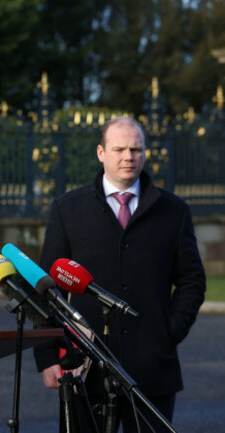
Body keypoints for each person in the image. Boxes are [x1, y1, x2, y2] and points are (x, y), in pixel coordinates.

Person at [33, 116, 206, 432]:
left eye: (136, 149)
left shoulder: (174, 210)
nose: (129, 157)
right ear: (101, 152)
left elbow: (192, 280)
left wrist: (170, 331)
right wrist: (47, 356)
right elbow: (47, 287)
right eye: (119, 149)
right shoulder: (68, 209)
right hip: (85, 369)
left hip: (152, 370)